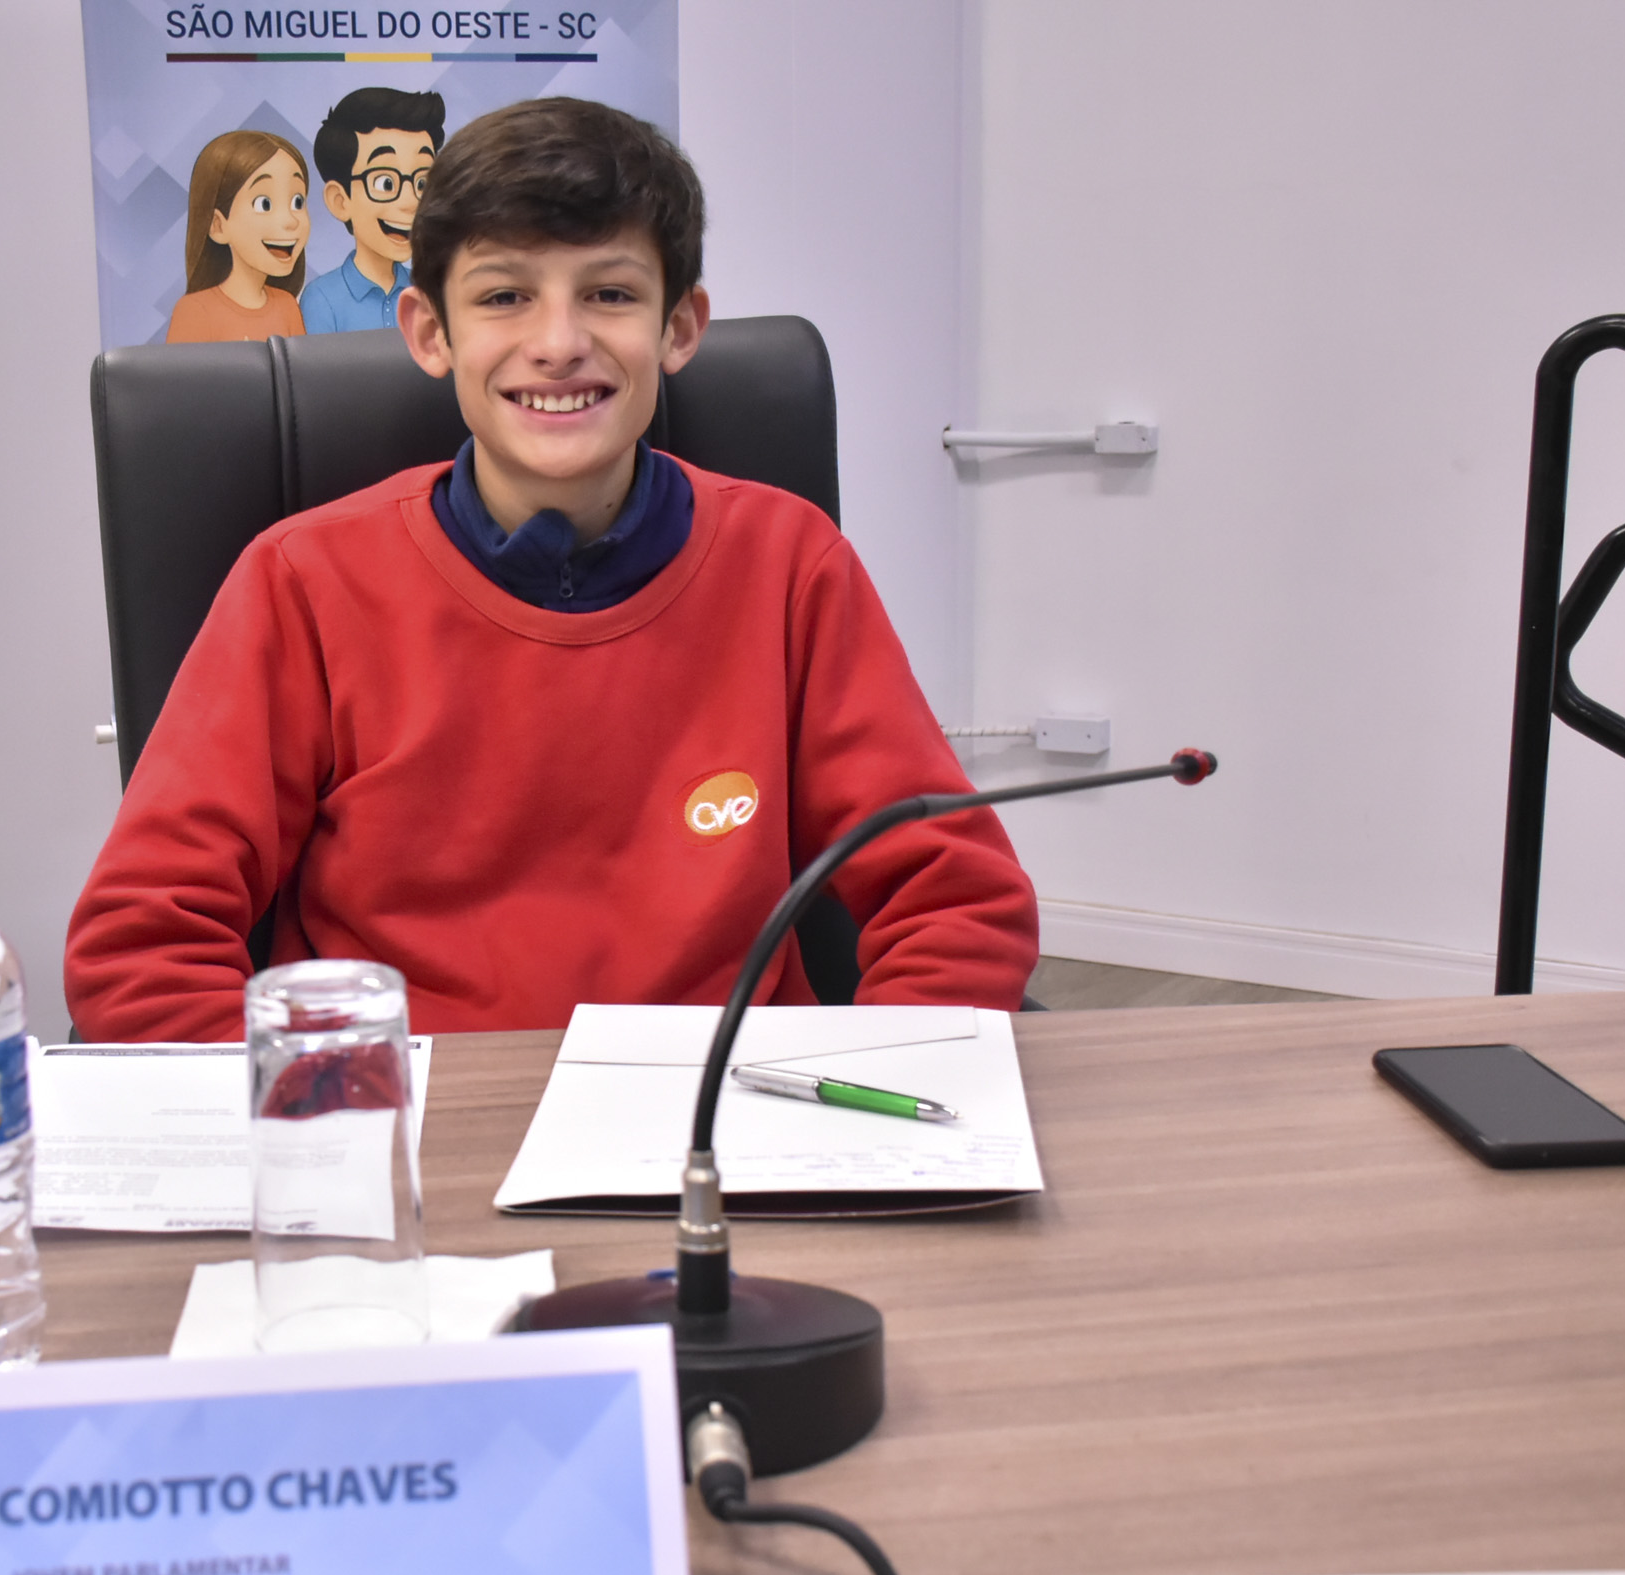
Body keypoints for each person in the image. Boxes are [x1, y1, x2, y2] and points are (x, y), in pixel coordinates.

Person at [68, 98, 1037, 1041]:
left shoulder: (788, 564)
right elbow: (140, 947)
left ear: (680, 327)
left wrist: (863, 1100)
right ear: (429, 332)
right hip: (412, 1121)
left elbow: (956, 900)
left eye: (610, 294)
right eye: (504, 297)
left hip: (719, 1116)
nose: (559, 344)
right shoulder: (302, 583)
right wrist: (326, 1116)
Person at [298, 87, 445, 335]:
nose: (410, 202)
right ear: (340, 201)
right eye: (386, 183)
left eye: (422, 183)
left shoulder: (429, 292)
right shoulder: (322, 299)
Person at [165, 130, 310, 344]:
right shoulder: (195, 311)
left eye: (297, 202)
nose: (290, 221)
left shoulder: (287, 305)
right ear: (217, 225)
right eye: (264, 204)